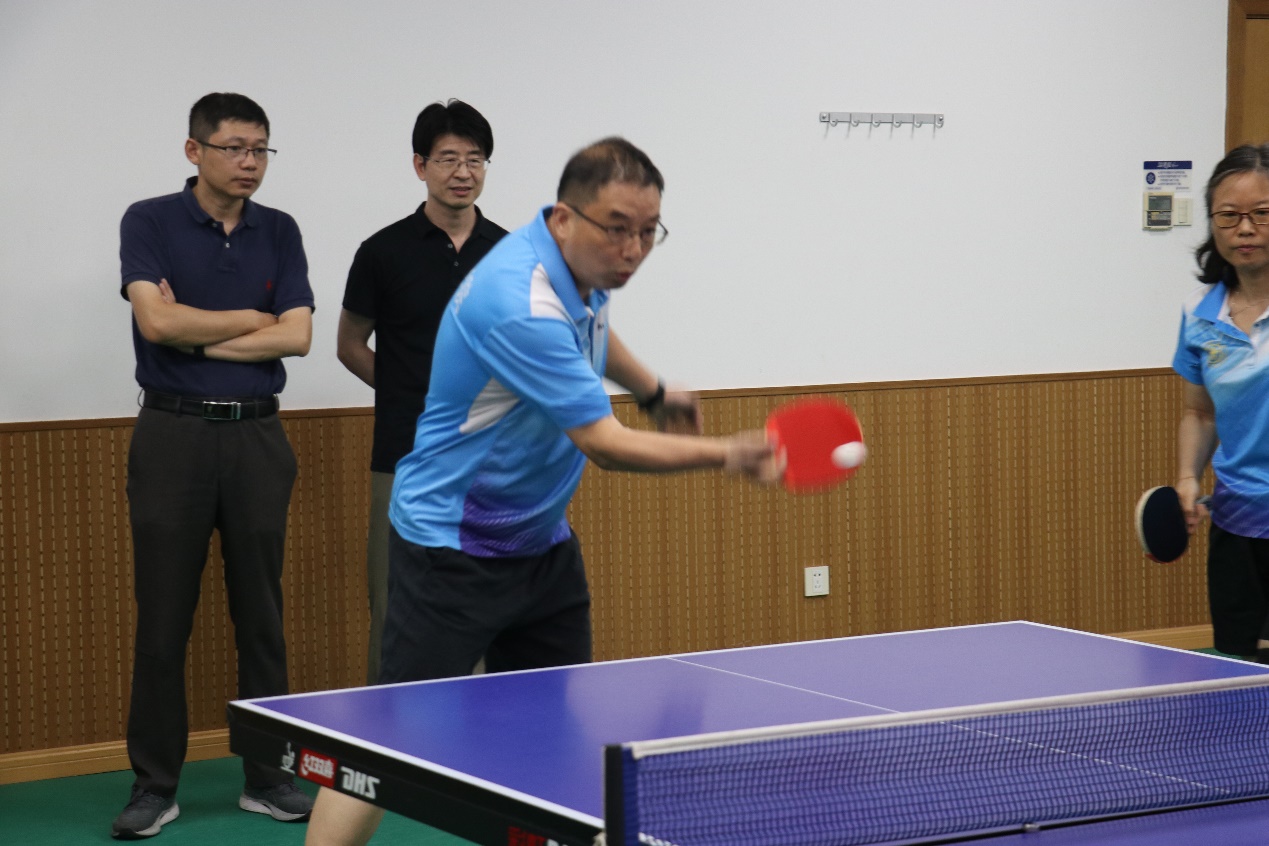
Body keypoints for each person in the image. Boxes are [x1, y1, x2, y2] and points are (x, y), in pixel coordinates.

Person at [304, 137, 781, 846]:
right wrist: (730, 454)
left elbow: (594, 330)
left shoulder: (577, 266)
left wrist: (651, 388)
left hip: (540, 545)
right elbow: (605, 445)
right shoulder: (518, 301)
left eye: (647, 231)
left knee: (546, 734)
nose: (631, 250)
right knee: (388, 740)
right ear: (564, 218)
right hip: (450, 548)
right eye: (616, 228)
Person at [113, 92, 315, 839]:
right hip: (173, 436)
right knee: (163, 618)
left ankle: (268, 777)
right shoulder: (149, 220)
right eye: (233, 148)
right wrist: (252, 320)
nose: (249, 162)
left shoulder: (280, 229)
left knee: (261, 615)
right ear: (194, 150)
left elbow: (298, 338)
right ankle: (154, 786)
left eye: (259, 149)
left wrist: (192, 332)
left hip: (259, 436)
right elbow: (154, 320)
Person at [336, 100, 508, 684]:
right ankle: (388, 735)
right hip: (405, 458)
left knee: (483, 612)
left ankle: (481, 735)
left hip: (491, 462)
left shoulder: (512, 255)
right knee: (398, 609)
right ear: (420, 165)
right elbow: (350, 345)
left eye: (475, 159)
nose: (463, 172)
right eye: (448, 159)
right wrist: (412, 397)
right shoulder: (382, 252)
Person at [1174, 143, 1269, 666]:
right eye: (1229, 216)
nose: (1245, 229)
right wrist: (1188, 477)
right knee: (1236, 666)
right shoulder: (1200, 313)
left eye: (1262, 213)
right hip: (1236, 519)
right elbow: (1201, 412)